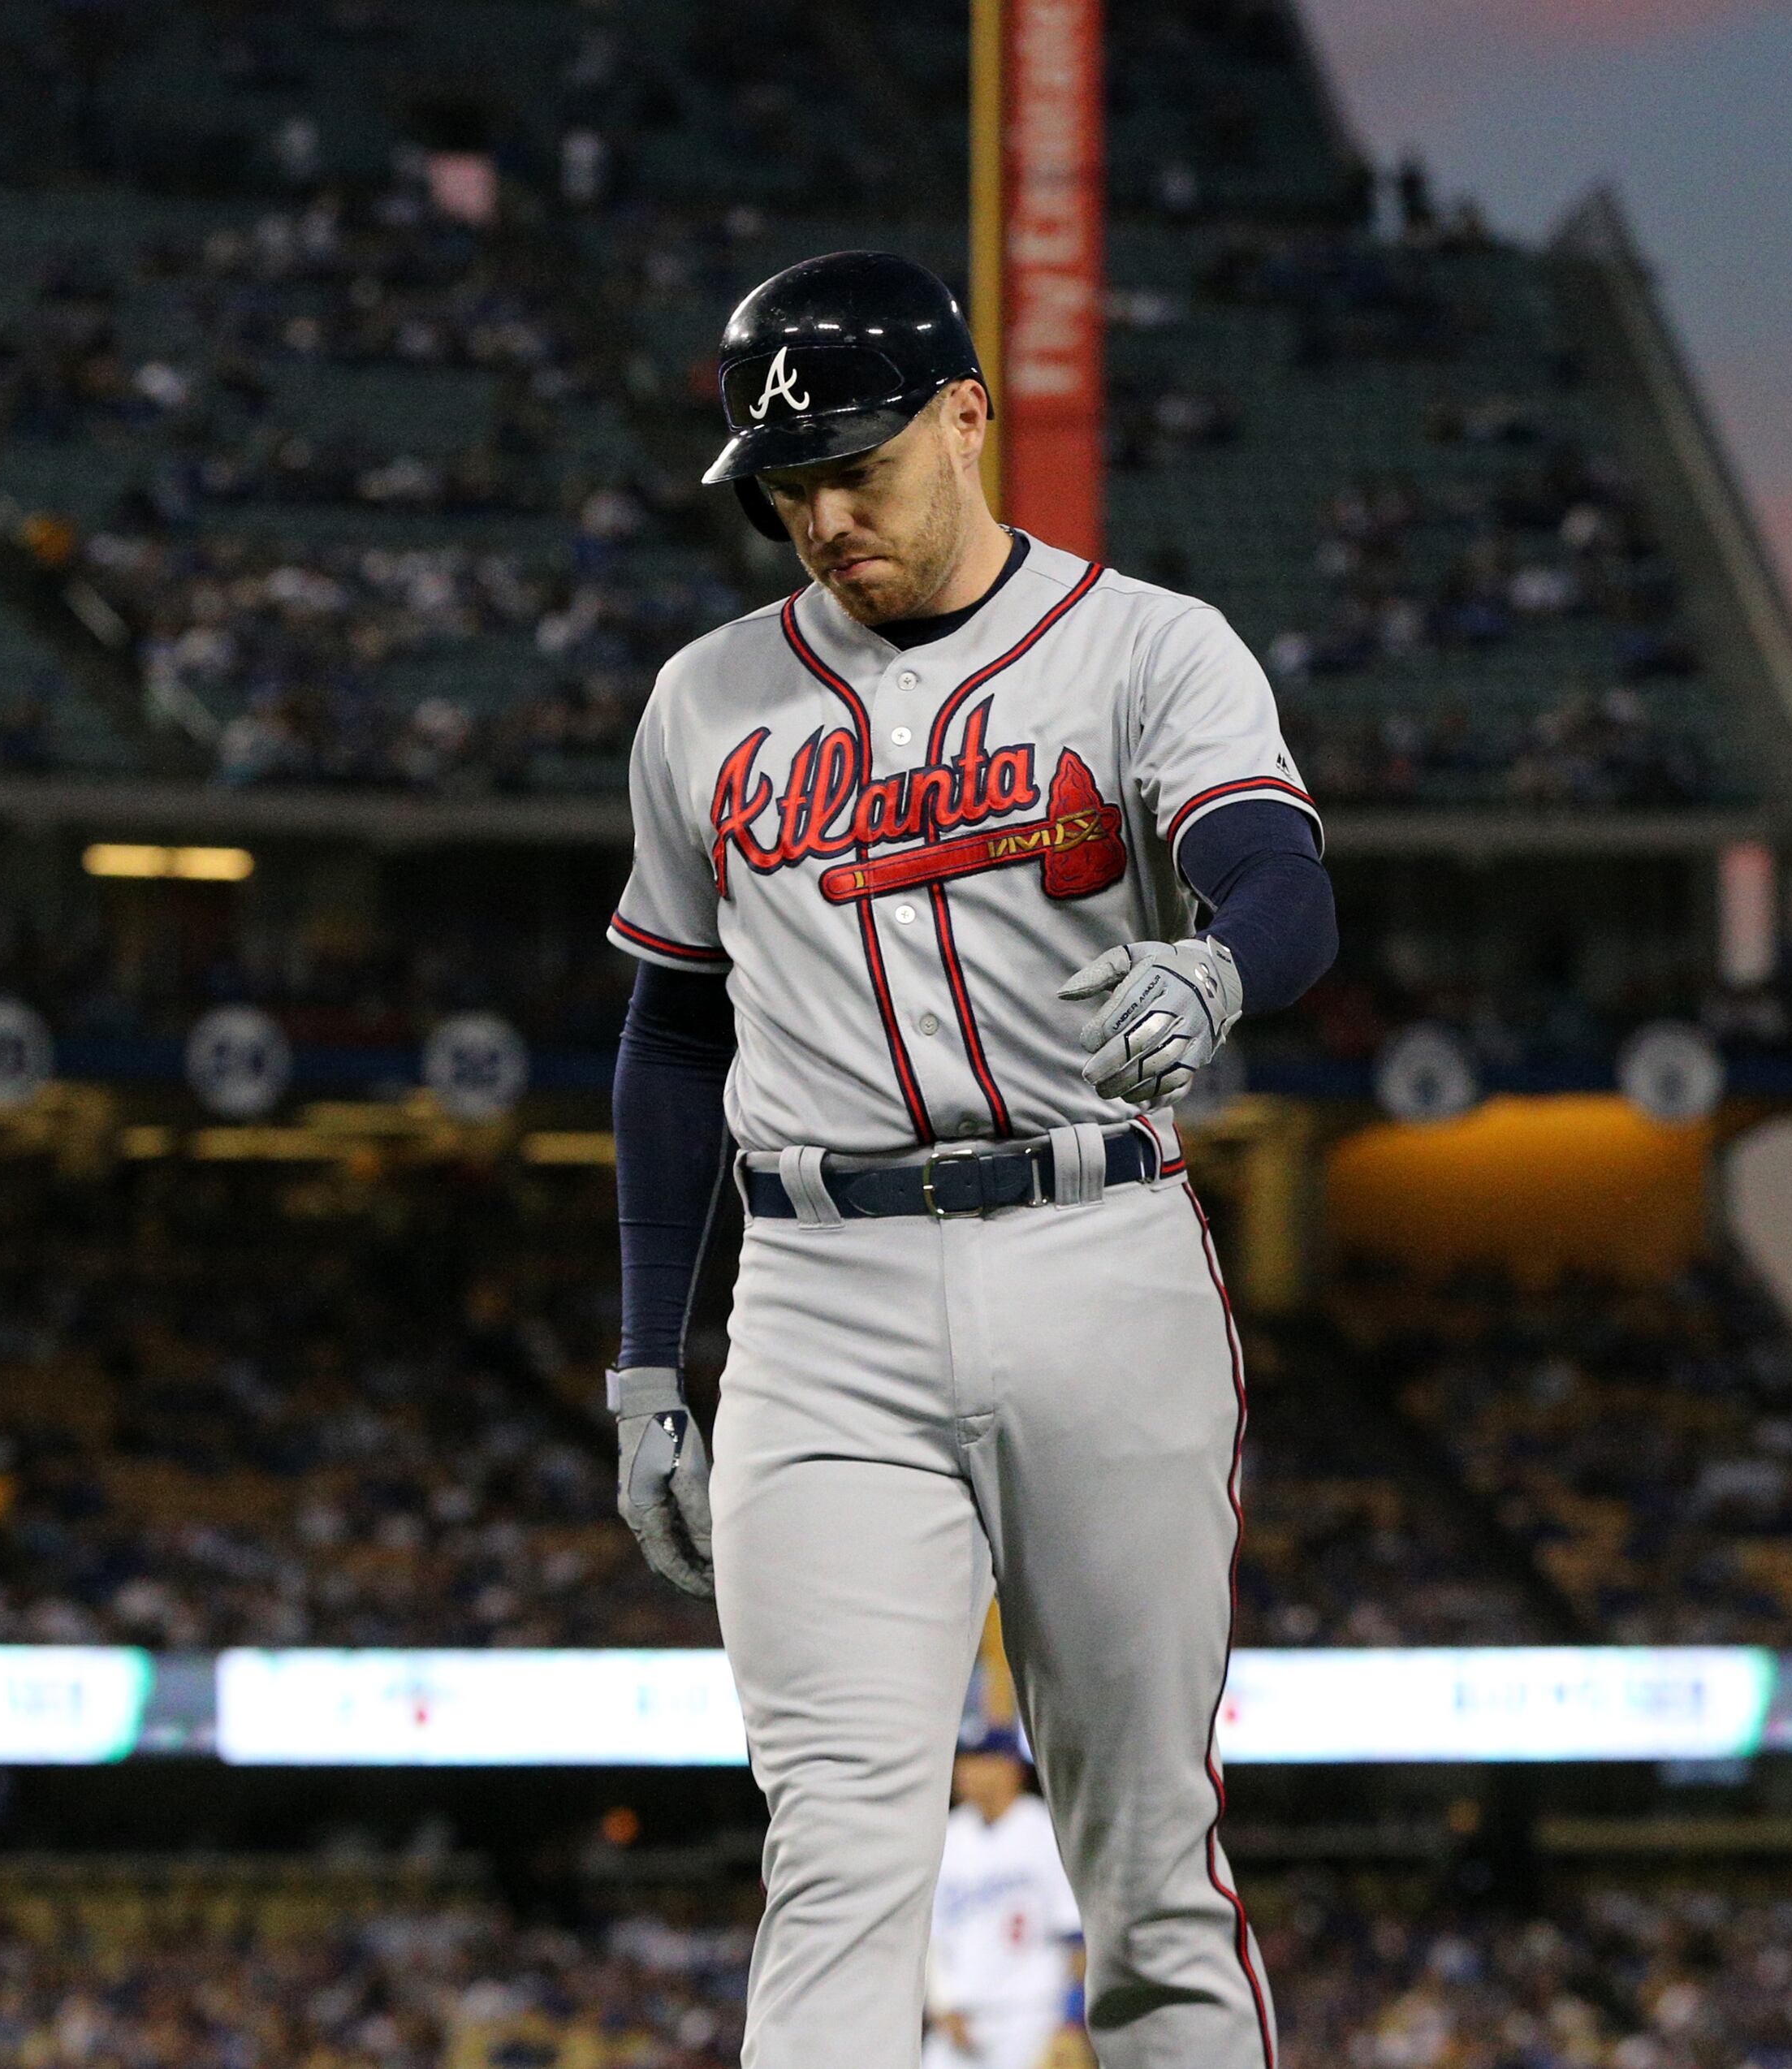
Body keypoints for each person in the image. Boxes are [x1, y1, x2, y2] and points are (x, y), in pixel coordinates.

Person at [602, 251, 1330, 2068]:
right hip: (820, 1295)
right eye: (787, 489)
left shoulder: (1150, 644)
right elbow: (675, 1032)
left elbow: (1279, 872)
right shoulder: (704, 700)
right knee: (840, 1847)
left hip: (1098, 1251)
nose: (824, 518)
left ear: (967, 414)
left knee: (1151, 1857)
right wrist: (640, 1359)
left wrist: (1220, 960)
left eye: (859, 465)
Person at [925, 1723, 1087, 2069]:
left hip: (1032, 2016)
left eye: (978, 1760)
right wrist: (941, 2006)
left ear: (1010, 1767)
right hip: (960, 2020)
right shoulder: (948, 1836)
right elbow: (931, 1939)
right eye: (963, 1761)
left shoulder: (1046, 1830)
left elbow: (1076, 1935)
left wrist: (1072, 2020)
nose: (963, 1771)